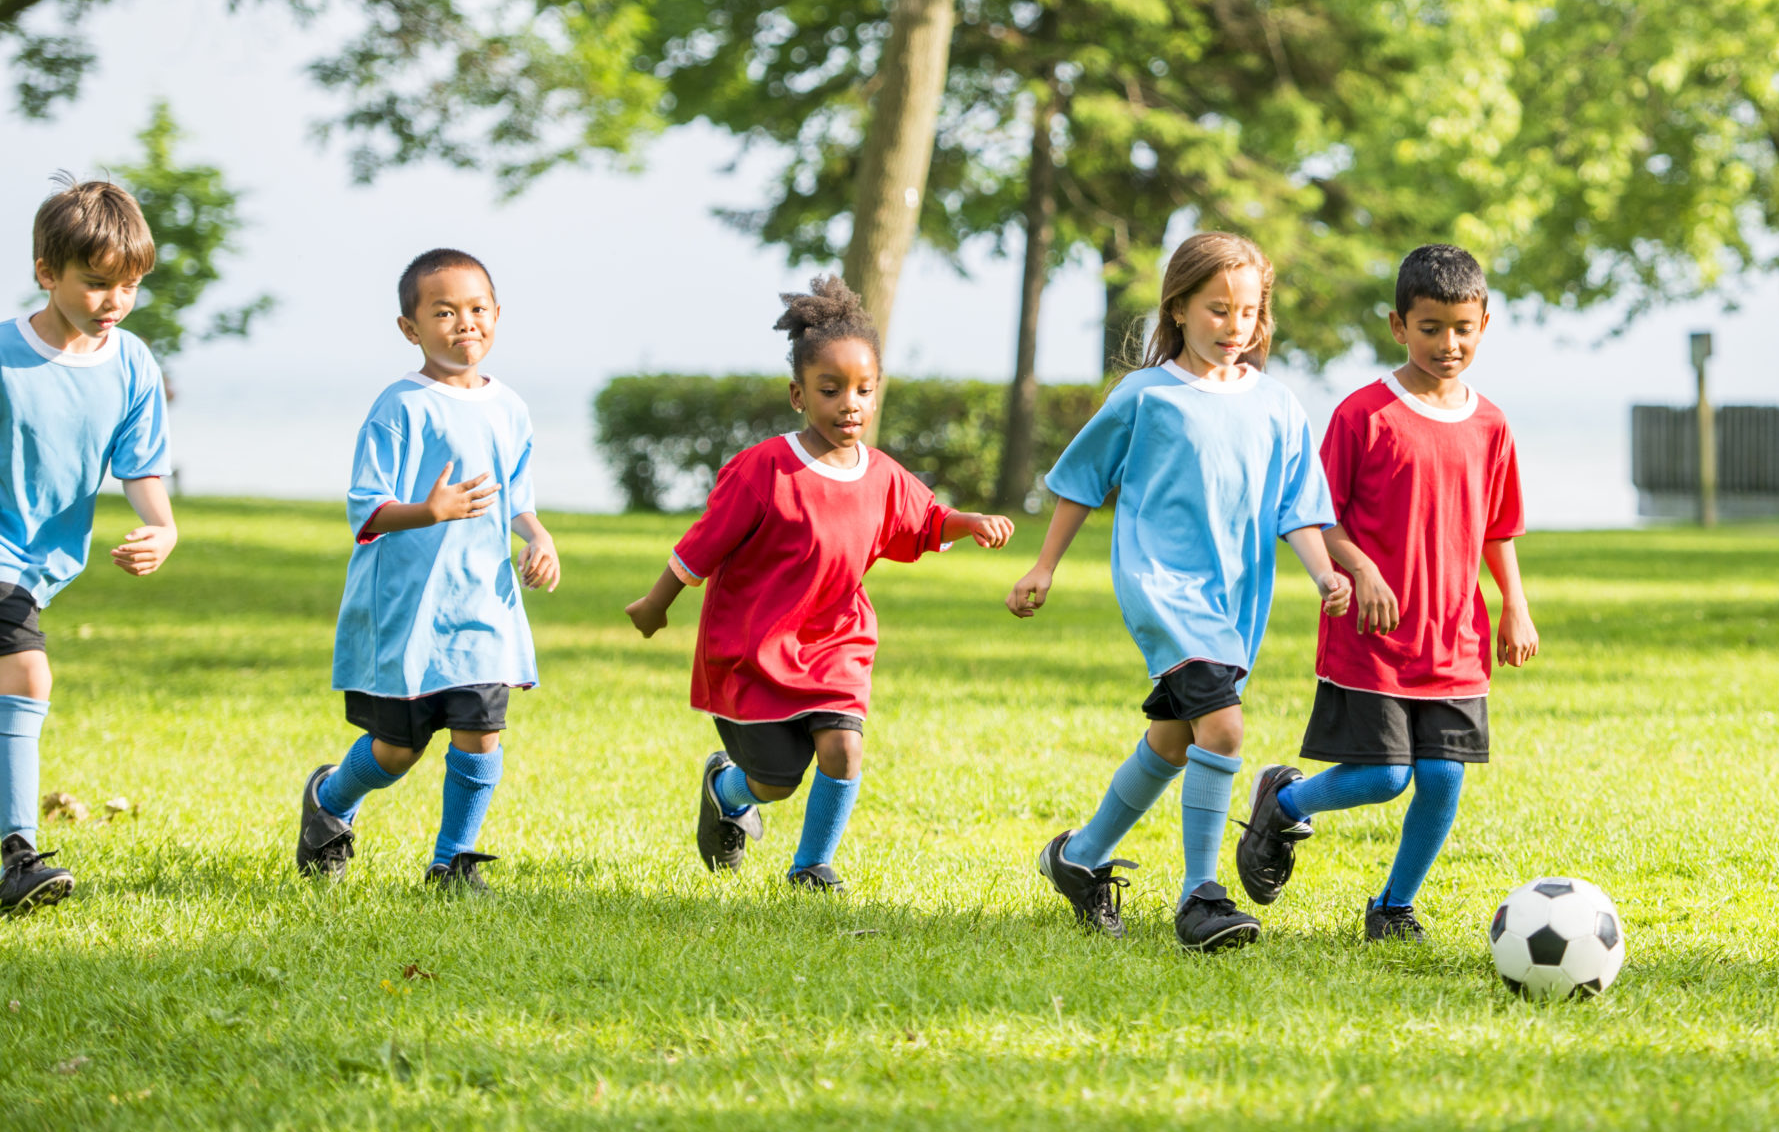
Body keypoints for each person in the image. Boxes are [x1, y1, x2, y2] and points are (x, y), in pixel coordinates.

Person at [1008, 231, 1351, 951]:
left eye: (1249, 311)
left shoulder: (1279, 405)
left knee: (1174, 739)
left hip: (1235, 603)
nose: (1235, 327)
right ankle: (1201, 895)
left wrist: (1323, 572)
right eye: (1217, 309)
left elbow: (1299, 506)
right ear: (1180, 308)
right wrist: (1044, 565)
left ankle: (1080, 856)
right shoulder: (1146, 394)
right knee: (1223, 729)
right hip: (1161, 588)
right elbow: (1080, 480)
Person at [624, 278, 1015, 891]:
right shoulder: (763, 470)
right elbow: (703, 543)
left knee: (842, 750)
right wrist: (655, 602)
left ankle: (810, 867)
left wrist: (972, 523)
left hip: (837, 642)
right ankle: (726, 789)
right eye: (831, 391)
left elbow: (927, 521)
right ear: (798, 395)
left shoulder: (882, 474)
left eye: (863, 390)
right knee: (775, 782)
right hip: (755, 649)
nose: (849, 404)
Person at [1233, 243, 1538, 940]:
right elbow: (1313, 514)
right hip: (1374, 637)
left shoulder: (1491, 424)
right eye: (1430, 327)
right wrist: (1360, 568)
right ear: (1398, 326)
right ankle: (1284, 802)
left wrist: (1513, 603)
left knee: (1443, 778)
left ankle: (1393, 906)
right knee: (1386, 774)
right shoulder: (1363, 414)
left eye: (1462, 328)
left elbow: (1499, 526)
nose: (1448, 343)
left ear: (1484, 323)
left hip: (1454, 638)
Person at [295, 250, 558, 891]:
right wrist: (428, 511)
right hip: (410, 612)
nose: (463, 323)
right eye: (443, 312)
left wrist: (538, 535)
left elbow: (514, 493)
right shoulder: (401, 406)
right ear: (411, 329)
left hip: (483, 608)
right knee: (398, 751)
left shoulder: (511, 407)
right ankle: (329, 802)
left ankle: (453, 863)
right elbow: (367, 508)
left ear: (497, 316)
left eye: (476, 309)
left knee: (481, 731)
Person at [1, 178, 180, 914]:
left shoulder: (132, 363)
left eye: (129, 285)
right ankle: (17, 854)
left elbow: (140, 465)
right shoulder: (6, 355)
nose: (114, 300)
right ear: (48, 272)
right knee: (27, 674)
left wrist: (162, 526)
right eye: (97, 282)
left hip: (43, 565)